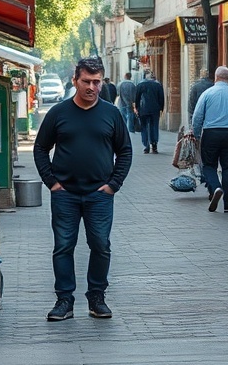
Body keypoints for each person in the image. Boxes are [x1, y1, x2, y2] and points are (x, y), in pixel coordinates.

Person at [33, 57, 133, 322]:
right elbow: (41, 148)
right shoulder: (59, 113)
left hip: (99, 195)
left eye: (96, 82)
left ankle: (97, 297)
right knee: (63, 246)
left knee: (100, 245)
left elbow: (125, 151)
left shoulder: (111, 113)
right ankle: (64, 300)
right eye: (86, 81)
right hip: (65, 194)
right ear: (75, 81)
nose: (92, 87)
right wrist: (52, 183)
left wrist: (113, 185)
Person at [191, 66, 228, 213]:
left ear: (216, 78)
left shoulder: (207, 94)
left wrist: (196, 135)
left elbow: (197, 116)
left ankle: (216, 188)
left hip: (211, 133)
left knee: (209, 166)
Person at [134, 70, 165, 154]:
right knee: (154, 126)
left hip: (143, 109)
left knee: (144, 127)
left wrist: (137, 108)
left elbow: (137, 98)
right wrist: (161, 108)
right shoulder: (158, 85)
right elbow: (161, 98)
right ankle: (154, 144)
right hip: (155, 109)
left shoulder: (140, 84)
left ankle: (146, 146)